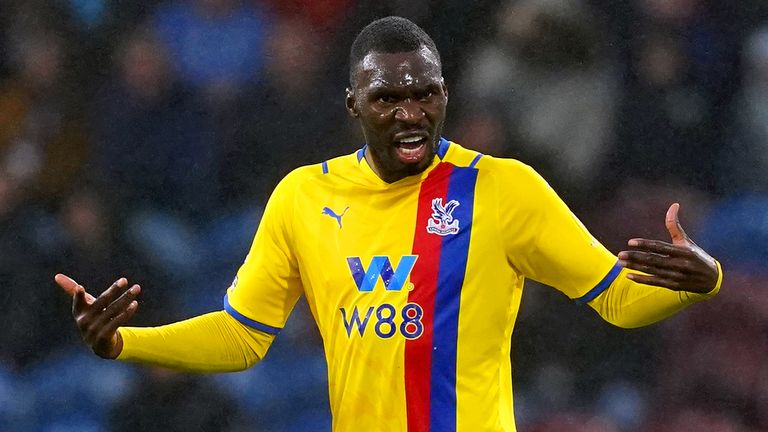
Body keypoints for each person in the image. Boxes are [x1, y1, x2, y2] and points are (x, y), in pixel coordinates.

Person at [57, 17, 722, 432]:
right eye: (388, 97)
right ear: (354, 103)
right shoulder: (303, 196)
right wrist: (127, 345)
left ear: (445, 95)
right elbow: (244, 336)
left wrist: (700, 282)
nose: (410, 113)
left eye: (425, 93)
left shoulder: (505, 189)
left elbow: (615, 297)